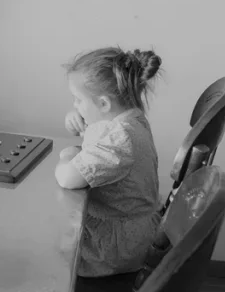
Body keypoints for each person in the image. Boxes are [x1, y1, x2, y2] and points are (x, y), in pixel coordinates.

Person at [54, 47, 163, 278]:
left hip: (116, 249)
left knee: (48, 250)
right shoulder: (130, 119)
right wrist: (77, 118)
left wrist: (67, 155)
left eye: (78, 100)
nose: (75, 105)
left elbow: (68, 178)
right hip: (129, 230)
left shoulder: (119, 140)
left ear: (104, 104)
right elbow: (97, 135)